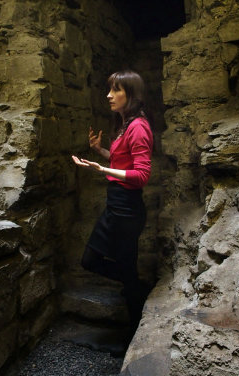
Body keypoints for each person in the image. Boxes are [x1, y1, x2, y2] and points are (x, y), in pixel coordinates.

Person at [72, 70, 153, 339]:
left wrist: (101, 168)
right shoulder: (126, 125)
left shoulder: (139, 127)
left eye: (115, 90)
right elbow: (123, 163)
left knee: (118, 268)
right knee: (91, 260)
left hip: (127, 209)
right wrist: (100, 153)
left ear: (131, 95)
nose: (108, 95)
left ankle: (134, 330)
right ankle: (136, 287)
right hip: (117, 206)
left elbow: (141, 176)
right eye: (110, 89)